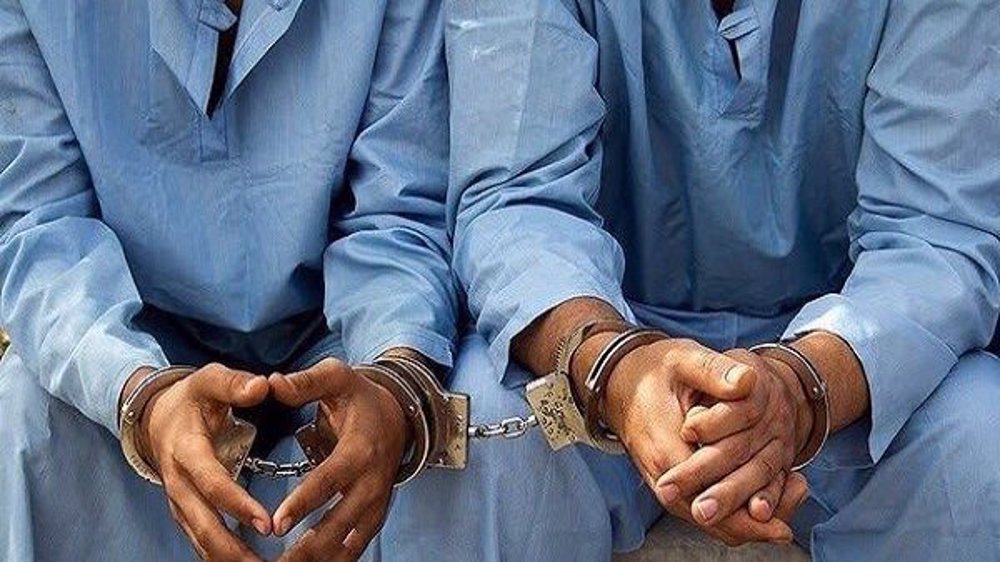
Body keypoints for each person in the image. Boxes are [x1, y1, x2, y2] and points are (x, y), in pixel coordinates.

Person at [445, 0, 1000, 560]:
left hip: (852, 372)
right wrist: (619, 370)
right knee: (476, 424)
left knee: (979, 436)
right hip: (597, 338)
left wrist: (797, 390)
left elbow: (934, 230)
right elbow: (518, 200)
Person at [0, 1, 468, 560]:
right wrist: (140, 394)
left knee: (479, 423)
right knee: (25, 418)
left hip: (342, 338)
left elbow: (399, 209)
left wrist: (394, 378)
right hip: (133, 339)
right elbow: (40, 225)